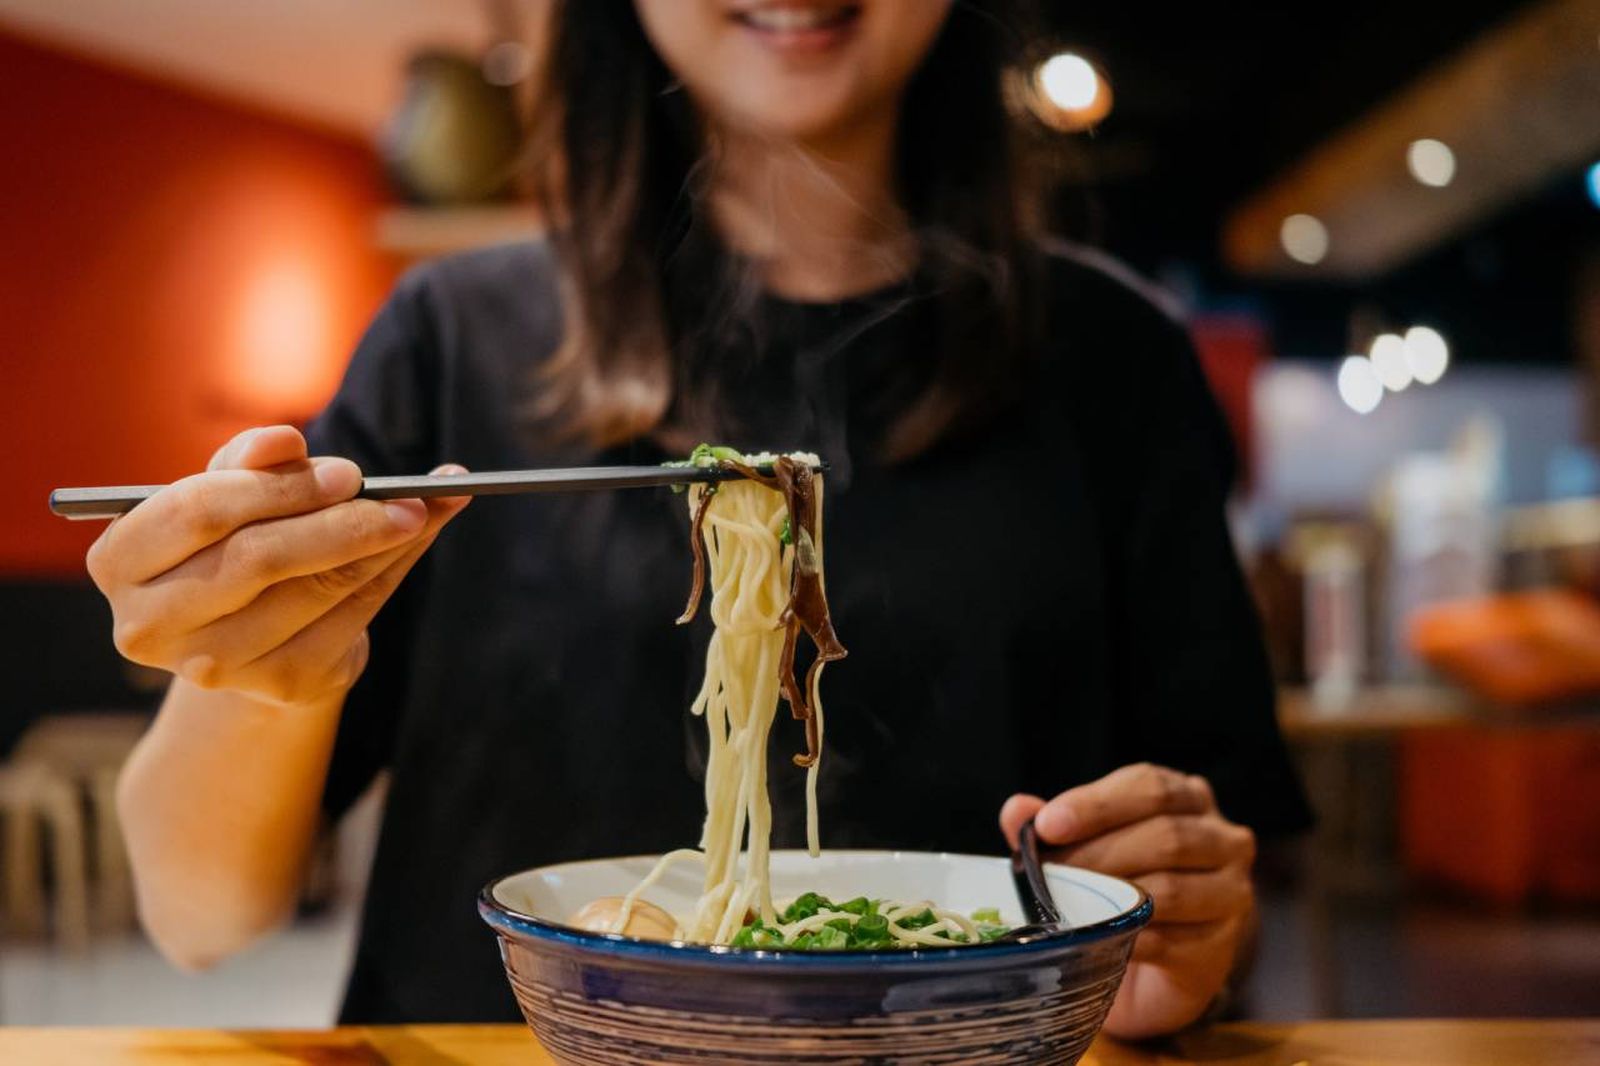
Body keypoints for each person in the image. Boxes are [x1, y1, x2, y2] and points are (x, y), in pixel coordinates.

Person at [91, 0, 1310, 1038]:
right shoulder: (453, 343)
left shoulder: (1116, 361)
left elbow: (1221, 884)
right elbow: (196, 911)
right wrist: (262, 668)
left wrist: (1186, 942)